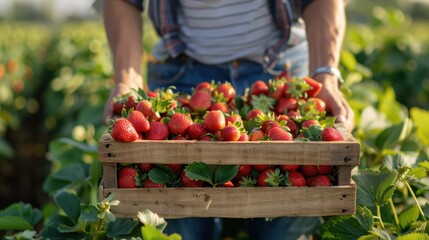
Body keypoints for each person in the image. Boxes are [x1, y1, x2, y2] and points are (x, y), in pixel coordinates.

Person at [101, 0, 354, 239]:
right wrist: (127, 78)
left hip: (281, 80)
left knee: (284, 223)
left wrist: (325, 74)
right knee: (178, 223)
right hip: (181, 79)